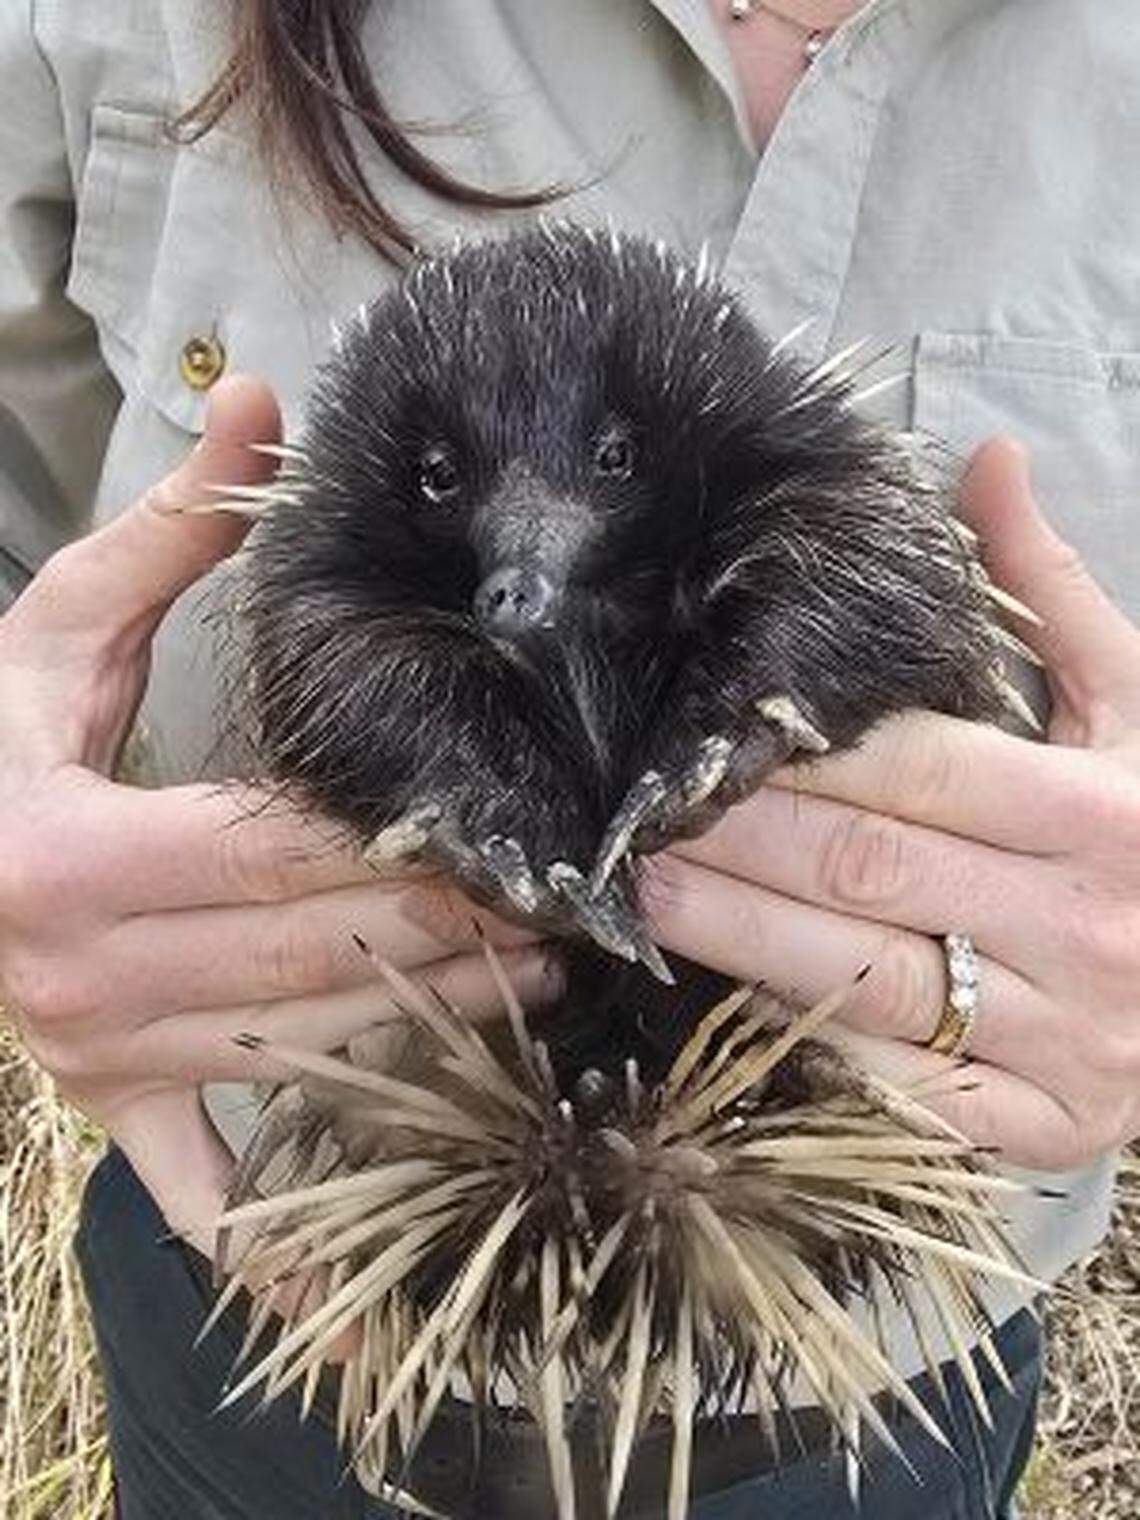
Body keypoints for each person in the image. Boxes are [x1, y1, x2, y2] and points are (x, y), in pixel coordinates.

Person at [1, 1, 1137, 1516]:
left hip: (853, 1344)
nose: (520, 567)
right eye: (459, 486)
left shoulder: (800, 492)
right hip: (286, 1272)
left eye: (600, 474)